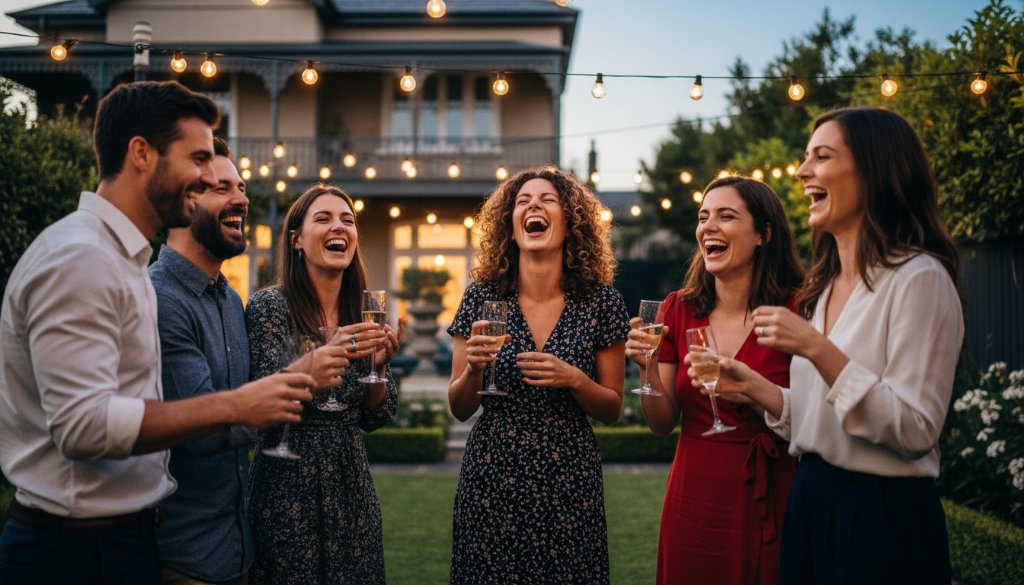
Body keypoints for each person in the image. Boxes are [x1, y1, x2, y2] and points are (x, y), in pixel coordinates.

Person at [0, 81, 312, 585]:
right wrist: (238, 405)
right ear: (141, 153)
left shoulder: (122, 258)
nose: (203, 176)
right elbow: (82, 426)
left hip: (118, 539)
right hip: (75, 548)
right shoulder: (83, 258)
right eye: (195, 159)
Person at [705, 107, 964, 584]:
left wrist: (817, 349)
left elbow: (914, 429)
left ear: (874, 171)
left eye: (821, 157)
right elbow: (822, 419)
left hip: (882, 513)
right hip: (812, 497)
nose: (803, 172)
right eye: (807, 158)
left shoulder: (919, 279)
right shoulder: (823, 291)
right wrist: (757, 389)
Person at [447, 167, 629, 584]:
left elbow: (613, 408)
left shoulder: (601, 302)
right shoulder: (481, 297)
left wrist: (576, 380)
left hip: (569, 472)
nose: (534, 206)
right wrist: (474, 369)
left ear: (571, 222)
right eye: (523, 201)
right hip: (493, 472)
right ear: (510, 226)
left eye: (548, 200)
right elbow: (459, 408)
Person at [626, 176, 804, 584]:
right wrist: (646, 366)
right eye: (703, 217)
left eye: (727, 216)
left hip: (775, 488)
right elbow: (659, 423)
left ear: (764, 234)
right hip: (695, 492)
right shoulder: (678, 309)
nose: (709, 227)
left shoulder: (798, 308)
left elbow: (816, 413)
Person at [151, 138, 311, 585]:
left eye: (240, 187)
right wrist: (302, 377)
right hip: (183, 557)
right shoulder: (161, 299)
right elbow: (203, 428)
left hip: (238, 548)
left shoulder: (229, 299)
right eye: (222, 188)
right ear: (184, 202)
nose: (242, 198)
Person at [245, 184, 400, 585]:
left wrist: (378, 369)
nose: (340, 227)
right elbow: (265, 391)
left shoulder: (364, 311)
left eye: (348, 220)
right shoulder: (270, 308)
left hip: (351, 484)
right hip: (285, 480)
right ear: (296, 240)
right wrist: (327, 354)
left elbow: (376, 415)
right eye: (324, 218)